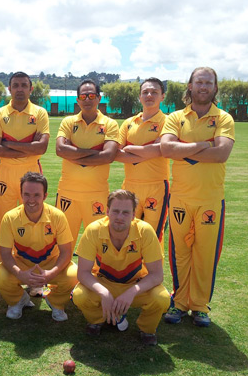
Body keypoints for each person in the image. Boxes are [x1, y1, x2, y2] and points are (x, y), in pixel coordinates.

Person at [160, 67, 235, 327]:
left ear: (215, 88)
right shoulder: (175, 117)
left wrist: (184, 150)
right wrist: (204, 144)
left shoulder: (224, 118)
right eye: (199, 82)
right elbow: (166, 148)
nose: (203, 86)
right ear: (190, 86)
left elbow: (221, 154)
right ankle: (179, 302)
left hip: (211, 199)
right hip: (180, 198)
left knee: (205, 255)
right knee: (179, 253)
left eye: (208, 82)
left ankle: (200, 305)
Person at [72, 190, 170, 345]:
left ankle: (147, 329)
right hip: (104, 281)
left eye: (126, 213)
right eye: (115, 211)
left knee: (162, 299)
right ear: (107, 211)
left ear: (133, 215)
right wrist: (103, 292)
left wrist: (132, 292)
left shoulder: (145, 231)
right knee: (79, 295)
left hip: (136, 283)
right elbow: (83, 273)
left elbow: (157, 275)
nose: (119, 217)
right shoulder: (93, 230)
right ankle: (97, 319)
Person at [0, 71, 50, 295]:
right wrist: (27, 146)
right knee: (2, 223)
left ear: (31, 89)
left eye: (24, 85)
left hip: (32, 172)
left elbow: (41, 148)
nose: (20, 89)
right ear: (9, 88)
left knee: (35, 223)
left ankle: (35, 279)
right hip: (5, 173)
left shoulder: (40, 113)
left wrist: (9, 144)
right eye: (16, 85)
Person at [0, 172, 77, 321]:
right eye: (27, 194)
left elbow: (66, 252)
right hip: (22, 263)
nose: (31, 200)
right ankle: (18, 300)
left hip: (50, 263)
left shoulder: (57, 216)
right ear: (21, 194)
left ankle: (56, 302)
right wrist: (20, 273)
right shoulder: (10, 217)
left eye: (37, 195)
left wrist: (51, 273)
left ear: (45, 196)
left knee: (73, 275)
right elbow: (5, 253)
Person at [55, 79, 118, 245]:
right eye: (83, 96)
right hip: (68, 194)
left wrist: (73, 154)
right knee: (63, 244)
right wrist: (94, 152)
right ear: (78, 100)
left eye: (91, 95)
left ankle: (98, 272)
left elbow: (108, 156)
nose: (87, 99)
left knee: (99, 244)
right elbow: (60, 150)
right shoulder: (68, 122)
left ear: (99, 98)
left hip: (97, 194)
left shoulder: (110, 124)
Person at [115, 78, 169, 243]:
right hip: (130, 186)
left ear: (163, 97)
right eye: (145, 92)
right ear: (139, 97)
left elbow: (162, 149)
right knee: (127, 234)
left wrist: (130, 149)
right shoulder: (129, 123)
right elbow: (116, 153)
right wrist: (149, 151)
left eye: (154, 92)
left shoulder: (168, 122)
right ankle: (132, 270)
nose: (149, 95)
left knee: (153, 237)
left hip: (157, 187)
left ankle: (154, 270)